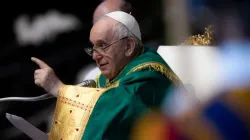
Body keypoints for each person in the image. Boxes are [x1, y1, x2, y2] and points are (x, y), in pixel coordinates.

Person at [31, 11, 181, 140]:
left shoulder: (150, 73)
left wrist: (59, 89)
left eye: (102, 46)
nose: (95, 56)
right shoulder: (115, 72)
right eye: (93, 48)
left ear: (128, 46)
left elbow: (120, 105)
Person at [77, 0, 133, 81]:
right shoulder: (91, 78)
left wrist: (57, 86)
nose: (95, 56)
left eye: (103, 44)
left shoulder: (153, 66)